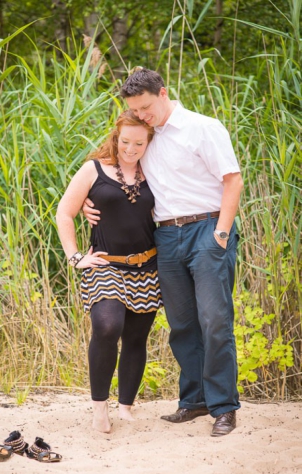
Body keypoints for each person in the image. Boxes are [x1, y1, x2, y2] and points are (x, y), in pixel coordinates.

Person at [84, 68, 243, 437]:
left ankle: (223, 406)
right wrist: (89, 205)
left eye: (145, 106)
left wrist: (221, 232)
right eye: (135, 110)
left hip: (207, 228)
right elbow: (114, 170)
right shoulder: (146, 136)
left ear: (163, 92)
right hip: (166, 238)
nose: (141, 114)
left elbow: (232, 179)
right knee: (182, 324)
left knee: (215, 320)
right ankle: (194, 400)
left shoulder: (203, 128)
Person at [57, 109, 162, 433]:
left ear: (149, 143)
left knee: (136, 337)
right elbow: (64, 212)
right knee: (107, 326)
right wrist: (75, 257)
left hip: (146, 265)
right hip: (104, 264)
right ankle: (99, 407)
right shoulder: (94, 170)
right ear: (116, 137)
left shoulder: (154, 171)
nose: (130, 149)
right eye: (125, 141)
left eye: (139, 144)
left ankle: (126, 406)